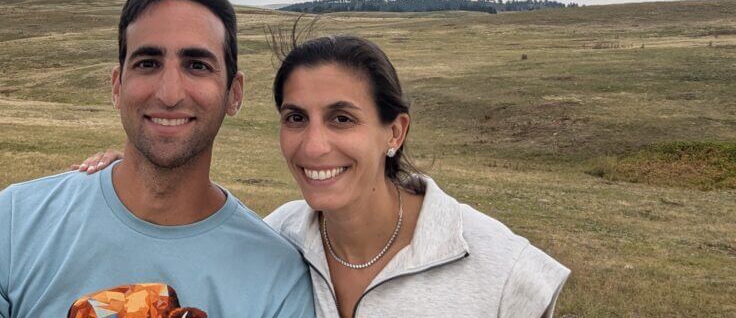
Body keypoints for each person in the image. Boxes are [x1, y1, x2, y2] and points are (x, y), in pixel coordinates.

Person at [78, 34, 570, 317]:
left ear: (394, 131)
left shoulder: (505, 272)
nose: (314, 146)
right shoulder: (278, 239)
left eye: (342, 118)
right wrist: (130, 171)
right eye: (296, 118)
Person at [0, 0, 315, 318]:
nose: (169, 94)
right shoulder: (12, 224)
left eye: (197, 65)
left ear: (234, 93)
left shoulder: (277, 277)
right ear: (117, 86)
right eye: (148, 63)